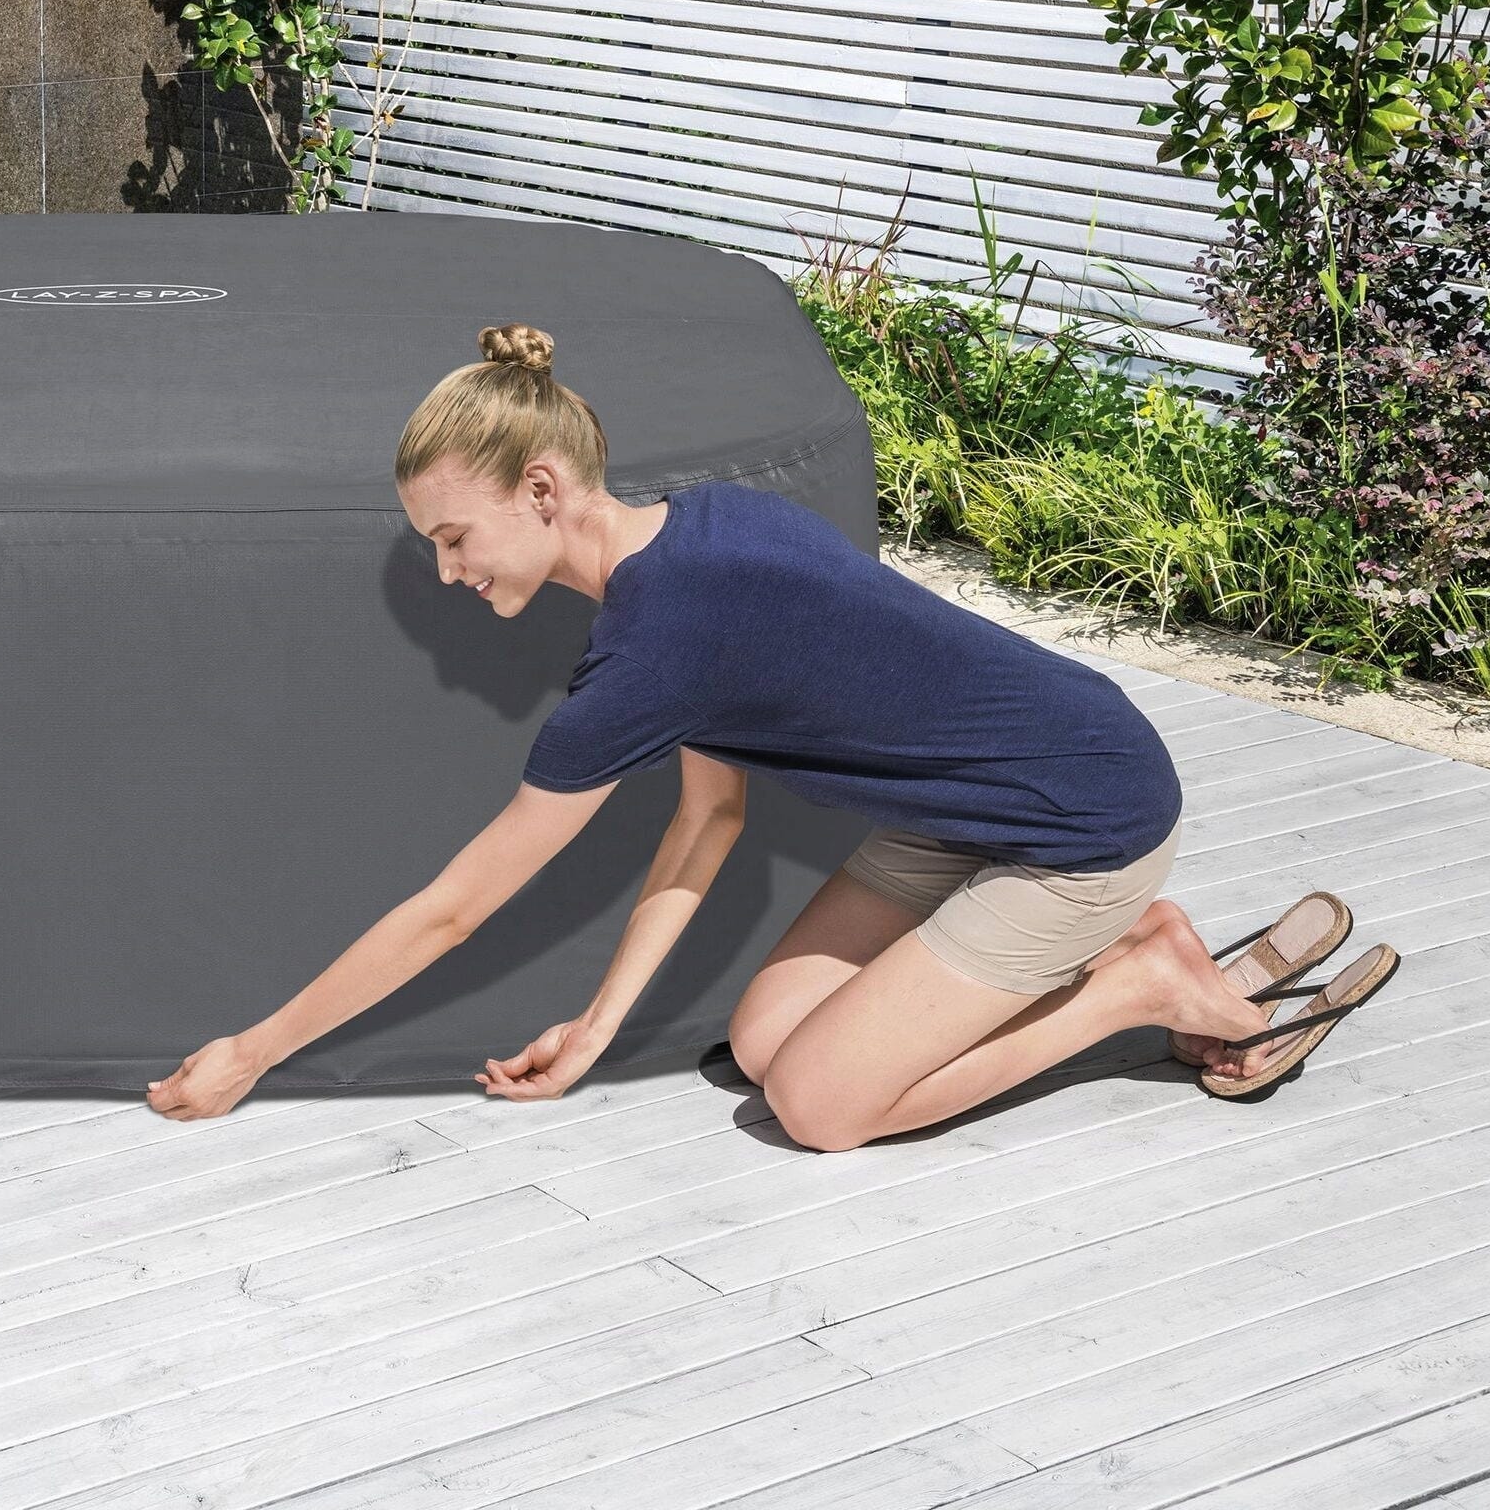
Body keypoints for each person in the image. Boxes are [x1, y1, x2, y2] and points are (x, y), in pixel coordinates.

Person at [146, 321, 1391, 1147]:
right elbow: (710, 817)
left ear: (541, 488)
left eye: (454, 536)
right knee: (759, 1038)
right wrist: (596, 1027)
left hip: (1084, 820)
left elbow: (452, 910)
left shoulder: (652, 651)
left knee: (817, 1104)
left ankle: (1134, 980)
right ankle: (1132, 947)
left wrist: (253, 1051)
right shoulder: (703, 531)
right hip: (978, 804)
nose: (445, 569)